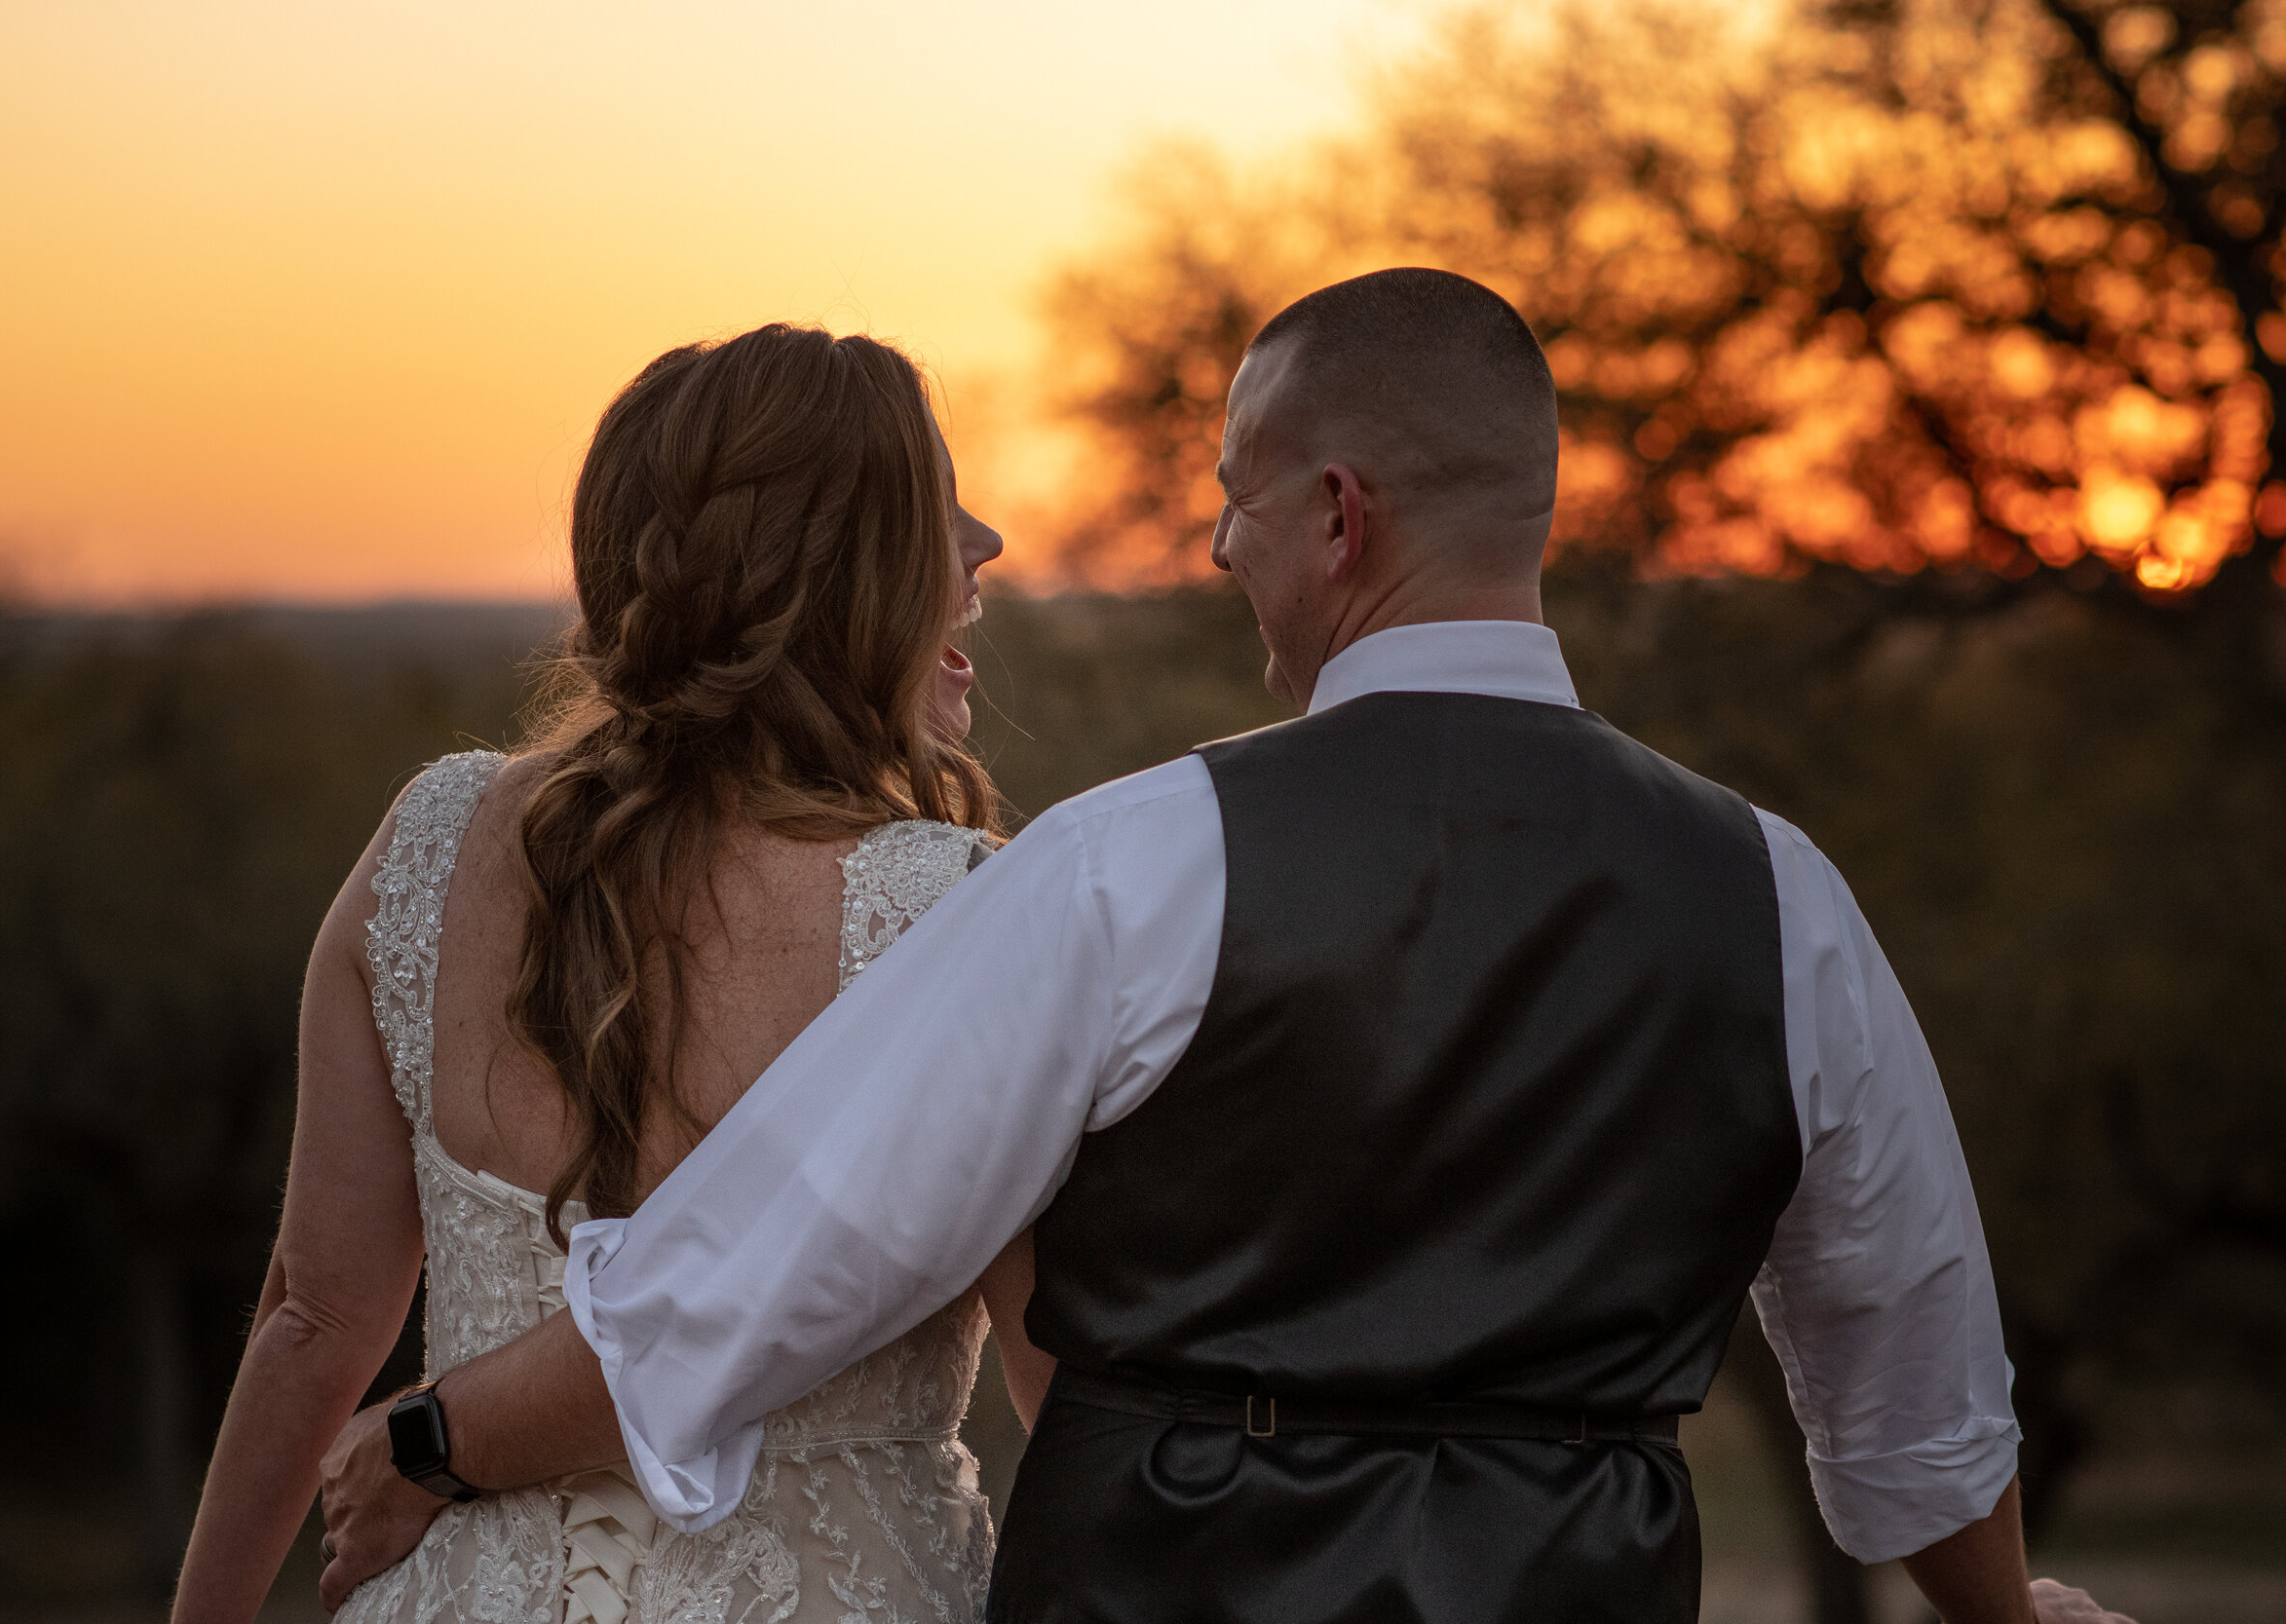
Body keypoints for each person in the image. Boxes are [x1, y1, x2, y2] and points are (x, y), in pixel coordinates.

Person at [318, 271, 2132, 1624]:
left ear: (1344, 517)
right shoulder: (1781, 894)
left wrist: (428, 1444)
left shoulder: (1134, 866)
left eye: (1239, 500)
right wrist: (2000, 1615)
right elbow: (1910, 1365)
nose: (1214, 543)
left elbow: (769, 1253)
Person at [167, 323, 1048, 1624]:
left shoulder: (433, 841)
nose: (987, 547)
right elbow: (1060, 1380)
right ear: (840, 570)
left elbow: (309, 1322)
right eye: (940, 511)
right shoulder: (953, 913)